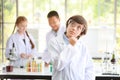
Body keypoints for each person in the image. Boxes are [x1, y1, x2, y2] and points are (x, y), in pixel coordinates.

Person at [48, 15, 95, 80]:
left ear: (81, 32)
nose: (74, 28)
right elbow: (58, 65)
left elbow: (89, 70)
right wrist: (71, 46)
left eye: (79, 27)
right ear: (67, 25)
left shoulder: (82, 47)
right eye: (72, 24)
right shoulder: (54, 42)